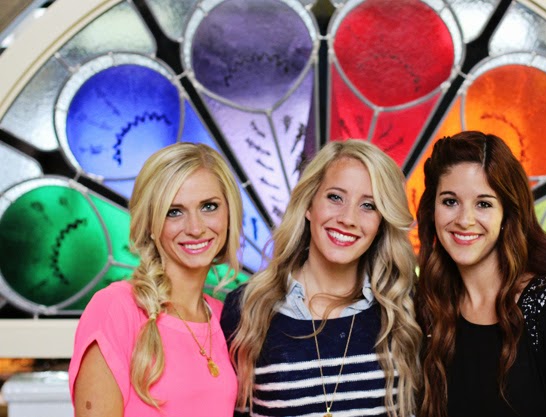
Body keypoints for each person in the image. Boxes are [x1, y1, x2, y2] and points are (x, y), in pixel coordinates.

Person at [415, 131, 546, 417]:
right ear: (432, 210)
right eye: (450, 201)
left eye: (484, 203)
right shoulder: (429, 307)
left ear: (507, 214)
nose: (464, 220)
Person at [221, 139, 422, 417]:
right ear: (309, 205)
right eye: (335, 197)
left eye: (368, 205)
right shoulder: (248, 307)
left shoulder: (403, 308)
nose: (348, 218)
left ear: (381, 223)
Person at [69, 142, 243, 416]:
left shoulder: (226, 318)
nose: (195, 228)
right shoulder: (116, 308)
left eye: (209, 206)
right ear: (151, 223)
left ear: (229, 214)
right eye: (174, 211)